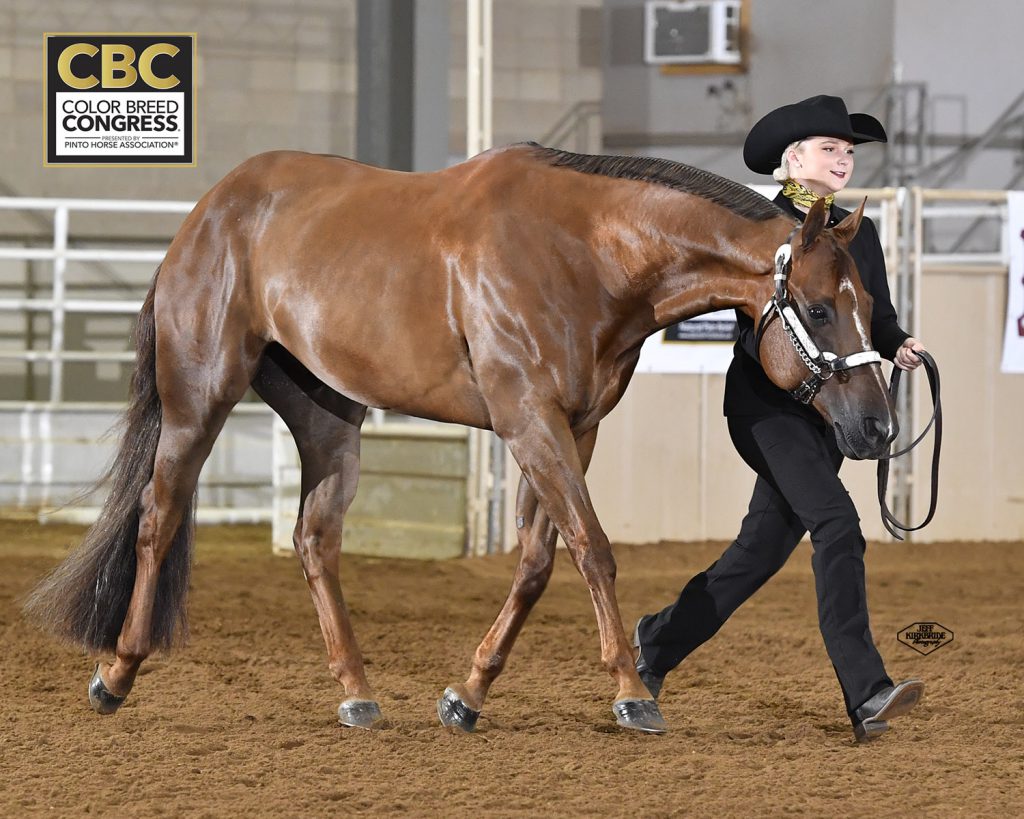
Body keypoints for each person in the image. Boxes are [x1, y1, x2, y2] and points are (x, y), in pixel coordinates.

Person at [633, 95, 927, 742]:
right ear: (794, 158)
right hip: (766, 407)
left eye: (849, 151)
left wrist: (898, 340)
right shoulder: (760, 225)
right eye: (831, 148)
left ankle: (654, 644)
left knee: (758, 554)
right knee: (837, 522)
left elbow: (868, 314)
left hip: (828, 411)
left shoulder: (858, 233)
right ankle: (868, 690)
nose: (844, 159)